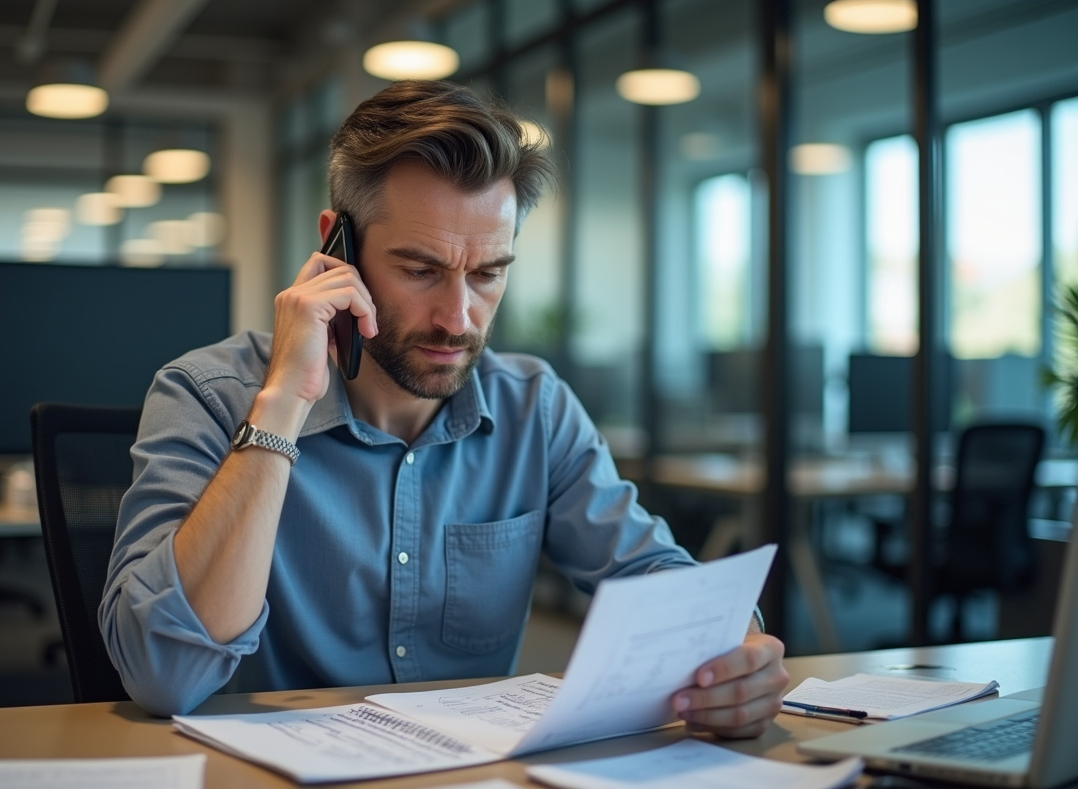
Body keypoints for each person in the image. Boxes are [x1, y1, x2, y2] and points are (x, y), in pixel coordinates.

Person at [100, 80, 788, 735]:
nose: (458, 319)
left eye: (488, 274)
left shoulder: (534, 407)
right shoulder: (206, 394)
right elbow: (166, 676)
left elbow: (652, 576)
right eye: (421, 270)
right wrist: (284, 406)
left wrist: (738, 651)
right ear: (337, 248)